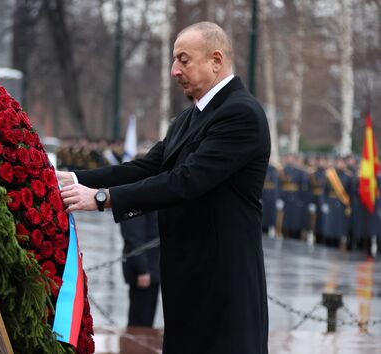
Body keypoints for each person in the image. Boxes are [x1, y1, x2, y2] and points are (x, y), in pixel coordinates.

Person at [58, 21, 270, 354]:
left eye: (184, 60)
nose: (174, 70)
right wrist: (74, 179)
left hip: (223, 280)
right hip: (189, 278)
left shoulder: (240, 114)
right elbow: (146, 167)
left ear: (216, 60)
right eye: (175, 60)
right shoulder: (189, 118)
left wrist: (101, 199)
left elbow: (186, 181)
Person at [119, 210, 160, 327]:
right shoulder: (135, 197)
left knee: (147, 319)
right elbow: (133, 237)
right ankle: (133, 346)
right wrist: (142, 270)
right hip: (144, 271)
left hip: (153, 268)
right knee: (139, 321)